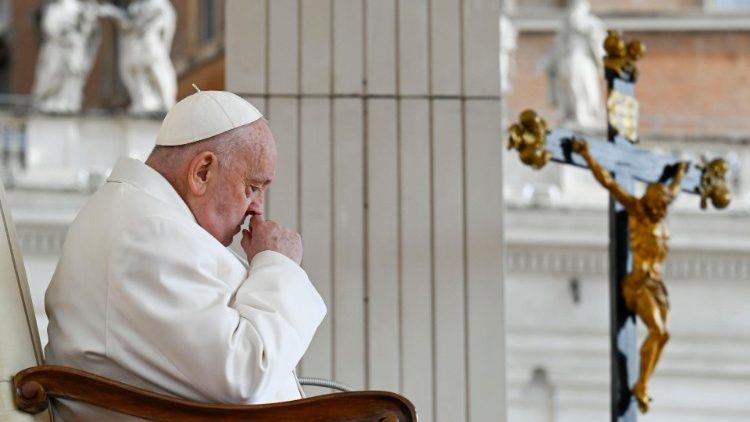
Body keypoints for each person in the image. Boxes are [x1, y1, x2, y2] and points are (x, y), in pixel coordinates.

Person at [44, 90, 327, 421]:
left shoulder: (142, 215)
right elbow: (244, 372)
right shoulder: (146, 233)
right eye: (252, 187)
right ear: (203, 171)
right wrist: (278, 264)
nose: (257, 208)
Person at [570, 138, 687, 413]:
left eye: (664, 207)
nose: (661, 210)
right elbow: (609, 183)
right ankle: (641, 386)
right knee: (659, 330)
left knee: (664, 336)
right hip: (637, 285)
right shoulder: (637, 210)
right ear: (650, 201)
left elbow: (675, 189)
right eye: (658, 205)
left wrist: (681, 172)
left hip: (657, 285)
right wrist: (587, 155)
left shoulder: (660, 213)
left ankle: (643, 383)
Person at [536, 0, 606, 131]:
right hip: (567, 62)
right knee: (569, 88)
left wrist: (587, 32)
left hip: (583, 62)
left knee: (585, 88)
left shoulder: (592, 24)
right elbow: (556, 47)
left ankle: (586, 117)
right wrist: (544, 63)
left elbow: (600, 46)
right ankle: (574, 117)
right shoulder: (565, 27)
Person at [32, 0, 101, 113]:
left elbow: (89, 31)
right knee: (51, 76)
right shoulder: (53, 8)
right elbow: (48, 27)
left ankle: (68, 102)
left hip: (72, 48)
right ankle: (49, 100)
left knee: (72, 76)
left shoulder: (78, 8)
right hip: (56, 49)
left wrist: (85, 25)